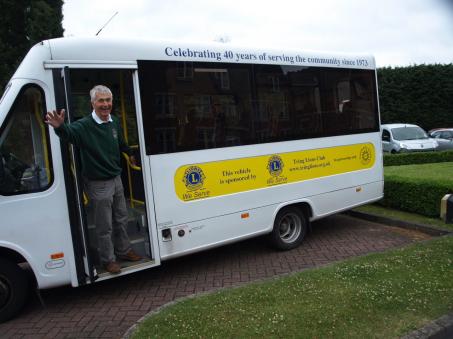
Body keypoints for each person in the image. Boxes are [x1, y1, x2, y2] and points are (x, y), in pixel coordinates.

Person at [45, 85, 141, 274]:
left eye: (108, 100)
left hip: (116, 178)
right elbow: (69, 133)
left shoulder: (113, 121)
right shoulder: (84, 125)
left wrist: (129, 153)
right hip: (98, 183)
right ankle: (109, 260)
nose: (105, 105)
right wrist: (60, 127)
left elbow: (119, 140)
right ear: (93, 103)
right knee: (104, 225)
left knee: (121, 217)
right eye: (101, 101)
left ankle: (124, 250)